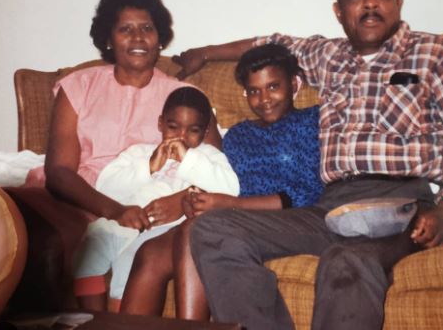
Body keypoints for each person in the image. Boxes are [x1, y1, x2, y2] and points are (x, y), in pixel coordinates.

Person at [172, 0, 443, 330]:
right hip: (329, 207)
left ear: (398, 4)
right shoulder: (328, 56)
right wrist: (204, 53)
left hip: (399, 207)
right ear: (339, 12)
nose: (370, 2)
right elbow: (268, 42)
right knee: (213, 230)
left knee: (346, 261)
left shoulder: (438, 54)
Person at [28, 0, 222, 310]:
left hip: (149, 204)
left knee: (126, 249)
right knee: (59, 240)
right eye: (125, 29)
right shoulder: (78, 87)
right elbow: (59, 171)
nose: (137, 37)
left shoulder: (186, 96)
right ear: (108, 38)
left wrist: (179, 201)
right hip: (80, 200)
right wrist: (113, 210)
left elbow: (214, 165)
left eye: (147, 28)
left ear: (160, 38)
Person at [120, 43, 323, 319]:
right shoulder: (239, 135)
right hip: (235, 219)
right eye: (254, 90)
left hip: (290, 219)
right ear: (245, 93)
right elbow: (221, 178)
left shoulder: (313, 122)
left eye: (273, 86)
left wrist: (229, 203)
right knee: (150, 254)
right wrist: (195, 199)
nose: (264, 98)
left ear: (294, 84)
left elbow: (305, 192)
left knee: (197, 231)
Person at [72, 87, 239, 309]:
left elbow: (230, 188)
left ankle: (118, 320)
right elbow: (105, 186)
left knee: (129, 263)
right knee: (88, 251)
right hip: (126, 223)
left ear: (206, 131)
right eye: (173, 127)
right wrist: (149, 166)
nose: (181, 137)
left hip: (164, 230)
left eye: (193, 130)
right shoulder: (140, 153)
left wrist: (188, 160)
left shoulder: (209, 157)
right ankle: (92, 320)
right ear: (160, 124)